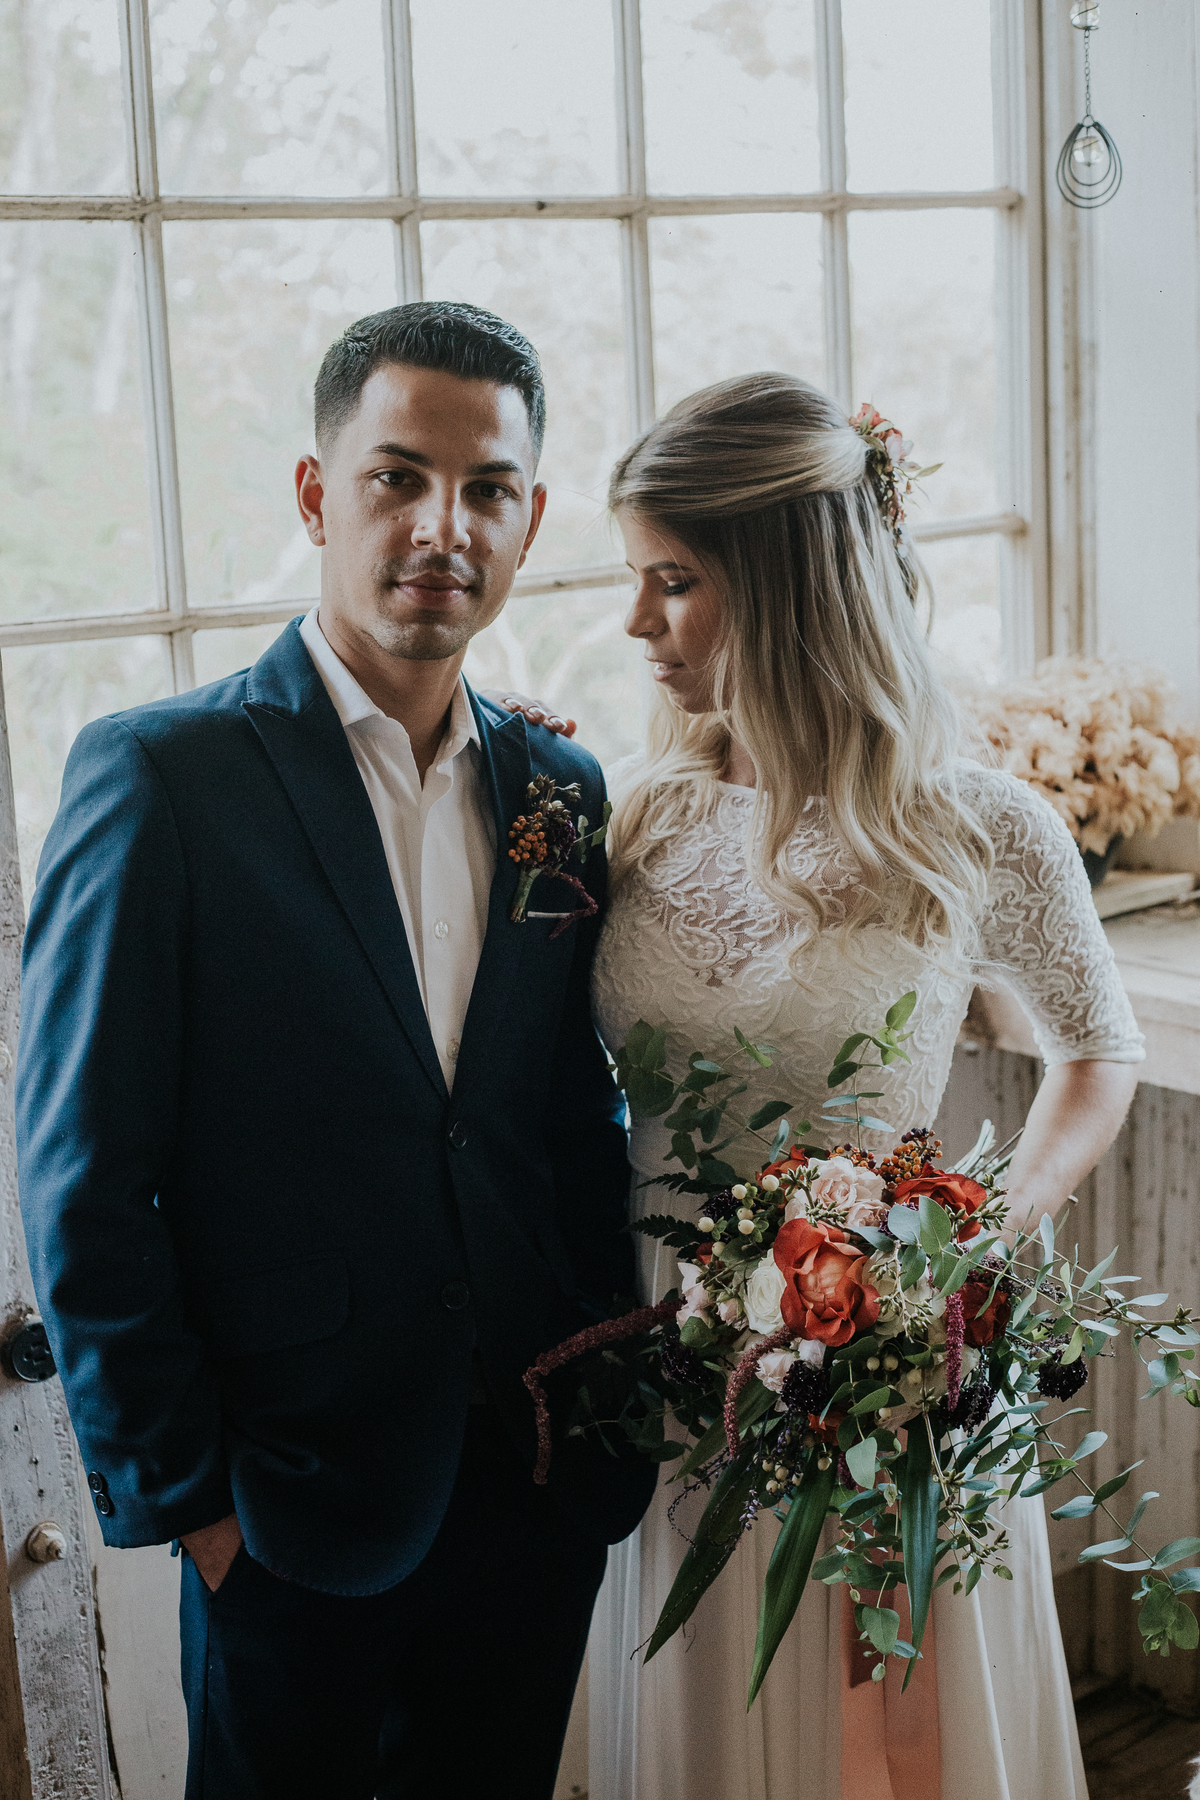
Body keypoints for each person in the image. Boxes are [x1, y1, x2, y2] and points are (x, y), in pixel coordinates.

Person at [15, 301, 655, 1799]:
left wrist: (610, 1401)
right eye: (399, 476)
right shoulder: (161, 779)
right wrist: (198, 1510)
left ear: (532, 515)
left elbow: (569, 1124)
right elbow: (85, 1181)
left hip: (535, 1482)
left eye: (489, 488)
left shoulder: (556, 786)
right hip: (288, 1509)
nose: (446, 525)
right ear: (319, 493)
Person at [499, 372, 1144, 1800]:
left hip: (880, 1395)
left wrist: (969, 1238)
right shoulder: (639, 815)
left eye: (674, 582)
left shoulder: (975, 828)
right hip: (671, 1400)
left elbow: (1101, 1051)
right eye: (633, 579)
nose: (635, 624)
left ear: (787, 588)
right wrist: (509, 787)